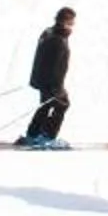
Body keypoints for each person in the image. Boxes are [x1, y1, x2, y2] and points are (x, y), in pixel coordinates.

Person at [21, 9, 77, 146]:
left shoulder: (49, 32)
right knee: (62, 105)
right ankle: (47, 137)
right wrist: (57, 88)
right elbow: (55, 67)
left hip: (42, 79)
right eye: (70, 22)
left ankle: (33, 134)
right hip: (50, 82)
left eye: (72, 22)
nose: (72, 26)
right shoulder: (58, 40)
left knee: (45, 106)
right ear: (63, 22)